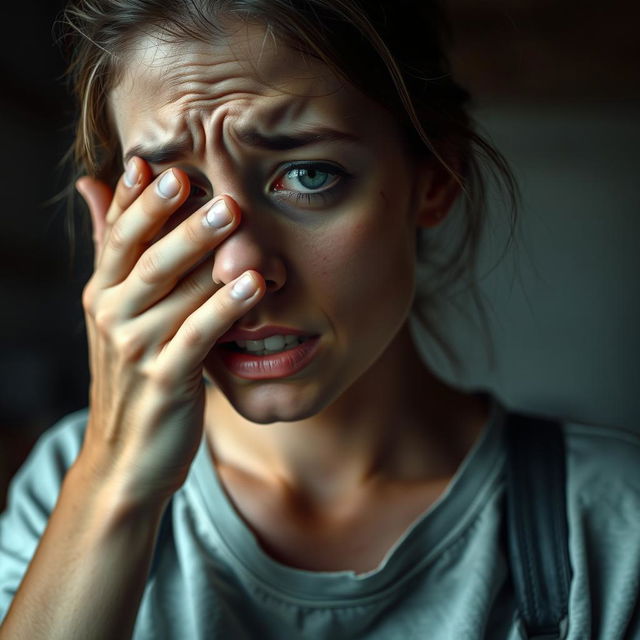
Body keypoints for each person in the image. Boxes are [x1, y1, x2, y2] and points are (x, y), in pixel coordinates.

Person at [1, 1, 639, 638]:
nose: (239, 271)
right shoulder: (67, 485)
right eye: (178, 195)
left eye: (308, 175)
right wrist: (115, 482)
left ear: (437, 178)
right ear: (113, 223)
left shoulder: (613, 526)